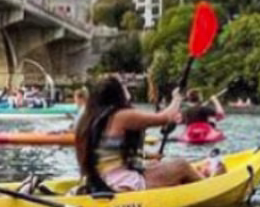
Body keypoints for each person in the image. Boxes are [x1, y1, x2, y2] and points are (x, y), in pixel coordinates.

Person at [75, 76, 203, 192]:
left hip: (97, 181)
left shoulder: (87, 119)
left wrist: (148, 157)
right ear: (117, 94)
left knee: (154, 164)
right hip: (122, 181)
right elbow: (166, 117)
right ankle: (207, 187)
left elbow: (109, 153)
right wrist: (177, 98)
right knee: (182, 166)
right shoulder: (122, 116)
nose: (126, 89)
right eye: (123, 85)